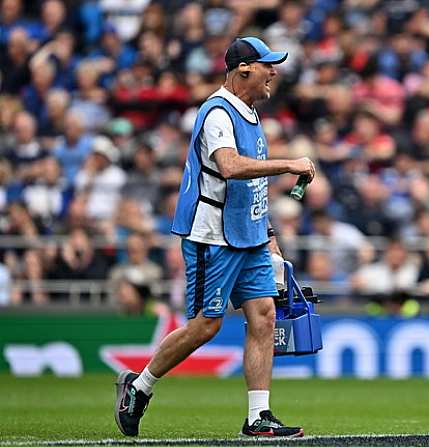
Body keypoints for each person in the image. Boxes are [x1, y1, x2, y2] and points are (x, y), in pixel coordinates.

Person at [113, 37, 315, 438]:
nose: (273, 71)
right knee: (206, 325)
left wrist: (269, 231)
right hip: (213, 237)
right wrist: (289, 164)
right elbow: (230, 166)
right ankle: (139, 386)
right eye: (267, 65)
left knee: (264, 315)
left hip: (250, 235)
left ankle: (258, 416)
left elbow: (251, 187)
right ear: (244, 70)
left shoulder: (251, 114)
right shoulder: (217, 113)